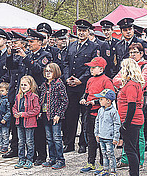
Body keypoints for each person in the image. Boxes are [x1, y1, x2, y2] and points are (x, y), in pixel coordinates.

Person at [63, 19, 100, 154]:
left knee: (85, 117)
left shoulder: (93, 47)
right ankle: (69, 143)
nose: (81, 33)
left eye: (84, 31)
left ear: (88, 32)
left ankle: (83, 144)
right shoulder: (71, 46)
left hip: (84, 86)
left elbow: (93, 66)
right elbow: (65, 63)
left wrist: (80, 80)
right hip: (71, 85)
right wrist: (67, 77)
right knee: (70, 116)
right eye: (79, 30)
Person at [115, 43, 147, 169]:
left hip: (136, 108)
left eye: (135, 52)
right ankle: (128, 159)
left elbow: (143, 82)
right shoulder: (128, 69)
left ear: (141, 53)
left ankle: (138, 161)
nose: (132, 55)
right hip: (127, 110)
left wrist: (124, 83)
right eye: (130, 53)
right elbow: (115, 80)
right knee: (129, 140)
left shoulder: (145, 67)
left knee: (137, 137)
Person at [79, 57, 114, 173]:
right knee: (90, 139)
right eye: (91, 67)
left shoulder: (106, 80)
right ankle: (91, 162)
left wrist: (95, 102)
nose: (91, 70)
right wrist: (83, 99)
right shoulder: (90, 80)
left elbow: (110, 97)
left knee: (101, 140)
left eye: (93, 68)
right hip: (90, 113)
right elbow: (86, 93)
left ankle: (102, 164)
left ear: (101, 69)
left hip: (101, 114)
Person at [22, 28, 51, 165]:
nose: (29, 44)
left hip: (39, 93)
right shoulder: (27, 54)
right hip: (27, 93)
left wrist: (26, 58)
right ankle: (31, 154)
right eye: (28, 41)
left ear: (39, 42)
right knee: (28, 125)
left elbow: (38, 69)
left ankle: (41, 154)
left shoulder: (46, 55)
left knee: (39, 126)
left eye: (32, 41)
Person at [115, 58, 146, 176]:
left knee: (130, 149)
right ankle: (134, 172)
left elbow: (131, 105)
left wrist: (126, 124)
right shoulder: (133, 84)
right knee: (133, 148)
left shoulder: (131, 85)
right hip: (134, 119)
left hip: (132, 121)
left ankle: (134, 173)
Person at [3, 30, 29, 159]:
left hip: (25, 92)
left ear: (23, 44)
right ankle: (14, 148)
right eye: (12, 42)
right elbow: (10, 68)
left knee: (25, 124)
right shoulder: (14, 55)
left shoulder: (27, 55)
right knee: (14, 123)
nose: (13, 44)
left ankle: (27, 150)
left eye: (16, 42)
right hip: (14, 92)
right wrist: (8, 55)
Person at [39, 63, 68, 170]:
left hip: (55, 116)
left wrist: (58, 114)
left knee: (57, 138)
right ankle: (52, 158)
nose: (48, 73)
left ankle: (60, 160)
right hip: (46, 116)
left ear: (55, 72)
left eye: (50, 71)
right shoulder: (44, 85)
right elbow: (41, 99)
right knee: (49, 138)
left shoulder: (59, 84)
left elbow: (64, 101)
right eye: (46, 71)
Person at [13, 75, 40, 169]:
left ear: (30, 85)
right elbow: (14, 107)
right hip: (19, 123)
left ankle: (29, 160)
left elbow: (36, 110)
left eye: (25, 85)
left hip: (29, 123)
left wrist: (24, 114)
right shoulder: (18, 96)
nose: (23, 87)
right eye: (22, 85)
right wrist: (15, 113)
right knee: (21, 142)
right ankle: (21, 159)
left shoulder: (34, 96)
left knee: (29, 142)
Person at [92, 89, 120, 176]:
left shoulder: (113, 112)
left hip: (109, 138)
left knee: (110, 155)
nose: (99, 101)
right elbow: (97, 122)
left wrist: (116, 138)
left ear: (108, 101)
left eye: (101, 99)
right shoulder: (100, 110)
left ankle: (112, 171)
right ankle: (105, 170)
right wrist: (96, 133)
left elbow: (117, 125)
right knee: (104, 154)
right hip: (101, 136)